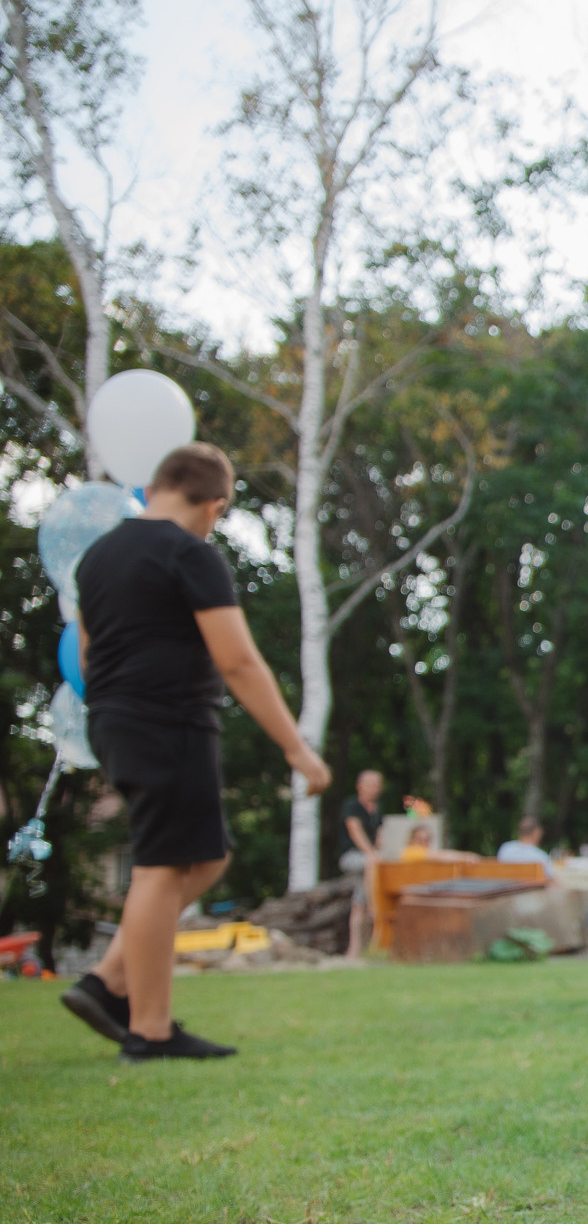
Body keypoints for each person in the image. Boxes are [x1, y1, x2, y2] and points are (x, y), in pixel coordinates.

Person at [56, 442, 331, 1060]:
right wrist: (297, 749)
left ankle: (109, 982)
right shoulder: (189, 554)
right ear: (215, 503)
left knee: (204, 858)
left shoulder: (97, 558)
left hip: (113, 720)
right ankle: (148, 1027)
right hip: (168, 722)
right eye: (220, 512)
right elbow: (236, 659)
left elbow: (89, 652)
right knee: (161, 866)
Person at [339, 769, 385, 953]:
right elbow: (355, 832)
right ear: (360, 786)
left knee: (358, 903)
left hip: (370, 866)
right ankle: (375, 907)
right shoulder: (352, 806)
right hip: (352, 857)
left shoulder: (377, 810)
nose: (376, 788)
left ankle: (356, 949)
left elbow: (381, 836)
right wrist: (372, 854)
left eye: (378, 784)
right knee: (371, 863)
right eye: (371, 784)